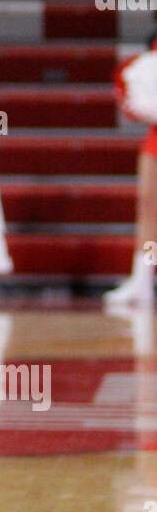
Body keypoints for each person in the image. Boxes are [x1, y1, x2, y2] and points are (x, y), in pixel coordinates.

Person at [104, 29, 157, 305]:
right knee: (149, 212)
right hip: (155, 141)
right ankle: (143, 279)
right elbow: (133, 103)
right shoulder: (142, 65)